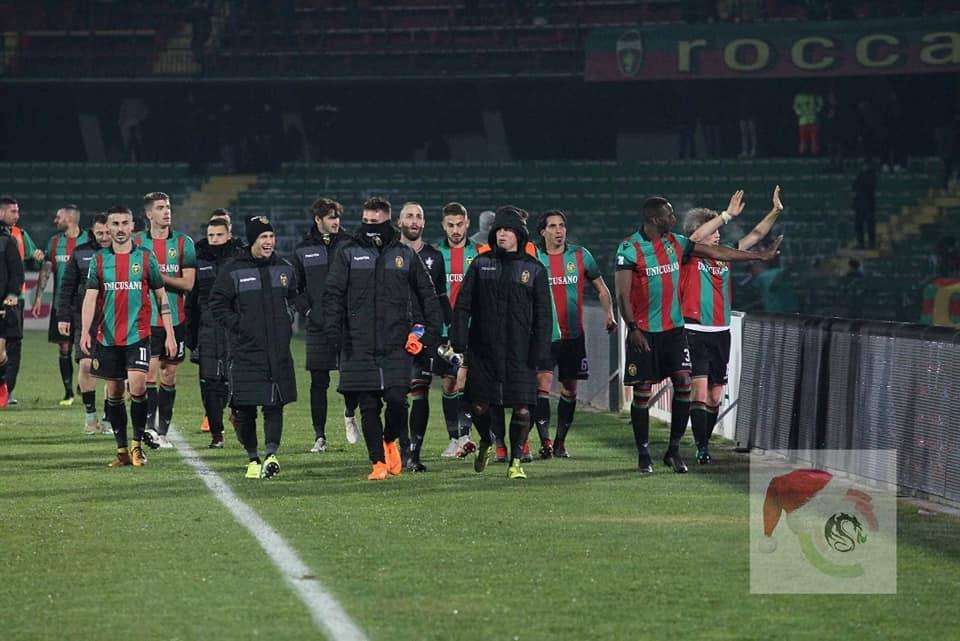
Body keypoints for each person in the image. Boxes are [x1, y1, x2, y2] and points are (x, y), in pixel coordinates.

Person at [616, 196, 781, 474]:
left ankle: (683, 449)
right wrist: (725, 215)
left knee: (701, 391)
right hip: (675, 329)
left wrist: (767, 235)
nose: (673, 218)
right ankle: (648, 452)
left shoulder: (688, 247)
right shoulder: (660, 249)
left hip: (699, 331)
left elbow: (743, 243)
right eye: (668, 214)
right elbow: (622, 293)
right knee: (665, 390)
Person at [323, 196, 442, 481]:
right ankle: (377, 462)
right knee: (368, 406)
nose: (370, 226)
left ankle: (390, 440)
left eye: (375, 222)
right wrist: (334, 335)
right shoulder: (348, 252)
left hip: (396, 343)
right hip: (358, 343)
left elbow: (428, 295)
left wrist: (429, 334)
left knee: (398, 401)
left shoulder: (405, 255)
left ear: (389, 221)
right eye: (366, 221)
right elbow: (333, 295)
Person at [681, 187, 784, 464]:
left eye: (718, 230)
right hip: (694, 330)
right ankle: (702, 448)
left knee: (715, 396)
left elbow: (756, 235)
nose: (717, 234)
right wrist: (726, 215)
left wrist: (775, 211)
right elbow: (694, 238)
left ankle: (703, 442)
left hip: (721, 331)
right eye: (712, 230)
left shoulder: (726, 254)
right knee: (699, 391)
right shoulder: (688, 253)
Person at [452, 206, 552, 480]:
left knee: (522, 408)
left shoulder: (534, 269)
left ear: (519, 234)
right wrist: (459, 341)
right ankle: (486, 440)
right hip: (483, 351)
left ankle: (516, 461)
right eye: (499, 230)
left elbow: (544, 315)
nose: (502, 235)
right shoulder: (480, 264)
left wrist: (541, 350)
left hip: (521, 353)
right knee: (479, 407)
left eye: (508, 230)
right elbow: (463, 306)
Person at [80, 206, 177, 467]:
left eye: (125, 223)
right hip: (108, 338)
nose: (120, 229)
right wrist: (85, 331)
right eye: (115, 224)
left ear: (133, 226)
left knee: (138, 386)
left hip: (138, 335)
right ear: (108, 228)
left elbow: (161, 296)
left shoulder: (145, 258)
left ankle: (136, 446)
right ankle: (121, 450)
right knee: (114, 391)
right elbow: (90, 298)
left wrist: (169, 333)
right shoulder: (99, 260)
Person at [208, 216, 299, 479]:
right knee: (244, 408)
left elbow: (295, 297)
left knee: (274, 404)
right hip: (245, 351)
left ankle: (271, 455)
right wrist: (240, 325)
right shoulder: (233, 270)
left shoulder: (284, 268)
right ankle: (253, 458)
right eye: (263, 237)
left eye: (271, 236)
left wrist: (287, 318)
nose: (269, 241)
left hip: (277, 351)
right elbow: (217, 304)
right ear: (252, 240)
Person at [533, 210, 617, 459]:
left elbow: (601, 289)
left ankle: (560, 442)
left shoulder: (580, 255)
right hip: (543, 335)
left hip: (573, 336)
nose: (558, 230)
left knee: (570, 390)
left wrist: (609, 313)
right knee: (542, 386)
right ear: (542, 232)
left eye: (562, 225)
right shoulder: (534, 256)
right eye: (552, 226)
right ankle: (545, 442)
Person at [291, 197, 356, 453]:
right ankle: (320, 436)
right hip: (318, 326)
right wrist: (309, 311)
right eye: (330, 217)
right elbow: (294, 289)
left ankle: (349, 414)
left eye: (337, 217)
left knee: (351, 378)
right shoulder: (302, 249)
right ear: (318, 219)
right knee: (319, 382)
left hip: (347, 324)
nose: (336, 221)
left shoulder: (351, 244)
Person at [134, 192, 196, 448]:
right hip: (146, 321)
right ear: (149, 214)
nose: (166, 211)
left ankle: (163, 432)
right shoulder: (137, 242)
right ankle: (150, 430)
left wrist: (157, 276)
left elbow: (188, 283)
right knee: (148, 374)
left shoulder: (183, 242)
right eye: (160, 208)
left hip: (176, 319)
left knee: (169, 375)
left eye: (168, 207)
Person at [396, 202, 452, 471]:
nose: (414, 221)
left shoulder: (434, 256)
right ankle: (396, 450)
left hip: (424, 335)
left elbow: (441, 297)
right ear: (399, 222)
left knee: (420, 391)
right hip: (393, 333)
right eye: (409, 216)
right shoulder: (389, 254)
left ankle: (413, 454)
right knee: (395, 396)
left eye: (419, 216)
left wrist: (450, 330)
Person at [186, 217, 243, 448]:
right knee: (210, 383)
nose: (215, 239)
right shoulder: (199, 260)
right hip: (208, 329)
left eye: (219, 235)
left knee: (236, 379)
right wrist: (191, 337)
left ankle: (237, 416)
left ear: (229, 235)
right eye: (211, 235)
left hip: (234, 328)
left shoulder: (240, 258)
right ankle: (216, 434)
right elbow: (191, 301)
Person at [57, 213, 112, 435]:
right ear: (92, 232)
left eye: (107, 232)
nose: (104, 237)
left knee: (112, 371)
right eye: (100, 233)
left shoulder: (124, 253)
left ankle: (108, 418)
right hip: (85, 319)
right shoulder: (81, 253)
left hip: (115, 319)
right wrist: (63, 316)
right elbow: (67, 286)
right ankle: (90, 418)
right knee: (86, 365)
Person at [33, 204, 89, 406]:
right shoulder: (55, 242)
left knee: (85, 347)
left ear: (70, 219)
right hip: (61, 304)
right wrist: (39, 296)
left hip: (85, 305)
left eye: (59, 217)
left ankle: (83, 384)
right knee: (64, 347)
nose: (55, 220)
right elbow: (46, 268)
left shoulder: (89, 240)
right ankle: (68, 393)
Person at [436, 202, 479, 458]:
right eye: (450, 225)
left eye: (460, 224)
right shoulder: (434, 254)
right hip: (443, 330)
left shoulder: (480, 253)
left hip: (472, 330)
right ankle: (454, 438)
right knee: (449, 383)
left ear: (467, 223)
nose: (455, 230)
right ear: (443, 225)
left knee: (465, 380)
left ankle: (465, 436)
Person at [0, 196, 44, 406]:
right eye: (13, 211)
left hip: (14, 300)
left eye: (18, 211)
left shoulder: (19, 235)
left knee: (13, 344)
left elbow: (33, 257)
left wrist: (38, 255)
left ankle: (7, 390)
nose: (17, 215)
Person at [0, 217, 24, 410]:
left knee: (0, 353)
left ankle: (2, 383)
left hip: (2, 304)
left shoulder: (6, 241)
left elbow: (17, 272)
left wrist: (12, 294)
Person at [852, 160, 877, 249]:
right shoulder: (860, 175)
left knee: (870, 225)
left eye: (865, 165)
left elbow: (869, 187)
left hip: (868, 205)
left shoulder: (872, 175)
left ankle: (871, 243)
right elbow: (854, 187)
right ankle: (861, 243)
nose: (864, 167)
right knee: (858, 225)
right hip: (859, 205)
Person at [793, 91, 823, 155]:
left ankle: (815, 153)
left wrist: (815, 111)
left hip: (813, 119)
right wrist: (800, 113)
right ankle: (802, 153)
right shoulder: (799, 96)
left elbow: (820, 104)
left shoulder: (815, 95)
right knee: (803, 139)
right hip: (803, 120)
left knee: (814, 138)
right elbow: (795, 106)